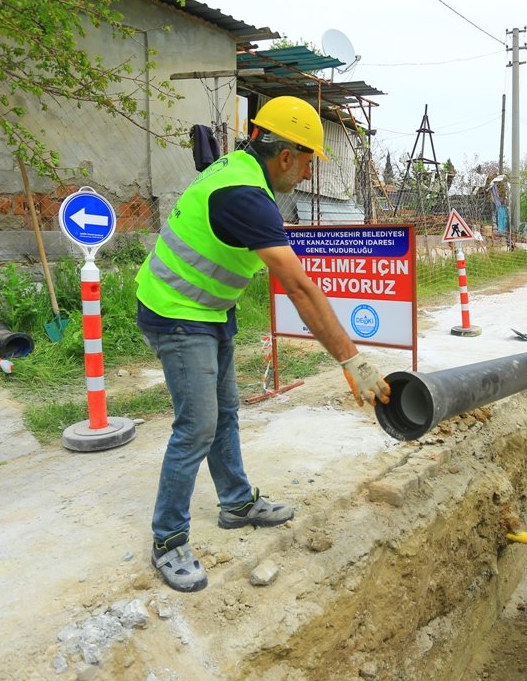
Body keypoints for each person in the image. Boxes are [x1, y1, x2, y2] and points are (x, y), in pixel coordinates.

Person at [135, 96, 391, 593]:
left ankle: (235, 503)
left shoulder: (245, 177)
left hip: (209, 308)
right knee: (198, 425)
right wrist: (351, 360)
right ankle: (168, 539)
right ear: (287, 155)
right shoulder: (246, 197)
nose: (309, 175)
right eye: (309, 161)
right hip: (175, 311)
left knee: (226, 411)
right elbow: (299, 288)